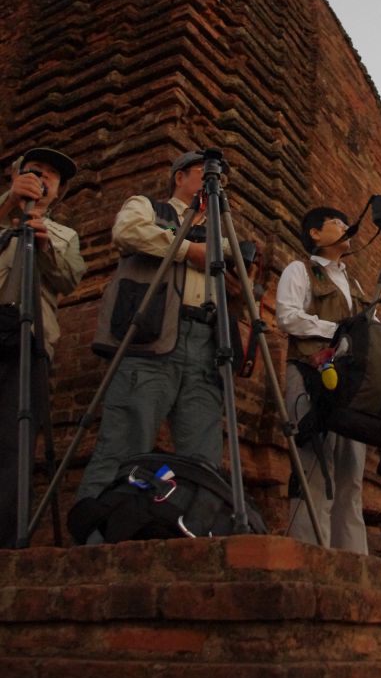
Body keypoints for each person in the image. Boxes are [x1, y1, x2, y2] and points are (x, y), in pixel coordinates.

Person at [75, 151, 226, 508]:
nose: (214, 182)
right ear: (180, 176)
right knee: (124, 444)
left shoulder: (222, 231)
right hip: (152, 336)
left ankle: (195, 529)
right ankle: (96, 531)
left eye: (220, 179)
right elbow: (127, 232)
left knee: (203, 459)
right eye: (204, 173)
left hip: (206, 344)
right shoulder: (151, 209)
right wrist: (189, 250)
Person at [0, 147, 85, 547]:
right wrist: (8, 207)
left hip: (29, 337)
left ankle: (7, 541)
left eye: (52, 175)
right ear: (15, 176)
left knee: (15, 440)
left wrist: (46, 245)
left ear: (59, 191)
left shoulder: (64, 235)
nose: (43, 177)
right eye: (35, 170)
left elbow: (71, 278)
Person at [275, 206, 368, 553]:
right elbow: (287, 316)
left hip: (349, 384)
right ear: (315, 233)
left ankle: (353, 563)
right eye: (336, 222)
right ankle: (310, 556)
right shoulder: (301, 270)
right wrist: (339, 332)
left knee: (350, 478)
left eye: (345, 222)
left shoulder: (354, 284)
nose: (345, 227)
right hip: (309, 375)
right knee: (315, 470)